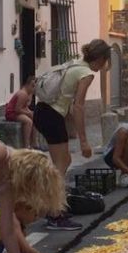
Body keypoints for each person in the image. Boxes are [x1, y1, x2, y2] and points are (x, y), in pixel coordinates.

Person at [32, 39, 111, 231]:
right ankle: (54, 214)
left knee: (63, 161)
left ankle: (51, 207)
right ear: (100, 58)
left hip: (43, 112)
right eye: (106, 60)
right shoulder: (85, 74)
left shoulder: (75, 64)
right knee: (60, 165)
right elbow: (78, 106)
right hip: (51, 115)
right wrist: (84, 141)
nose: (105, 65)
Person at [5, 76, 36, 149]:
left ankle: (34, 143)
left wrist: (31, 113)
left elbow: (26, 106)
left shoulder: (26, 94)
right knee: (28, 122)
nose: (33, 89)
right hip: (11, 113)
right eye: (32, 86)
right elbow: (17, 109)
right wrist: (28, 113)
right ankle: (26, 145)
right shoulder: (23, 94)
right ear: (27, 85)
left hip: (17, 112)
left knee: (35, 118)